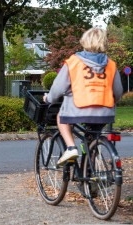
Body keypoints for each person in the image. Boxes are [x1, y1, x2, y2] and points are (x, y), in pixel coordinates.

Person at [43, 27, 123, 166]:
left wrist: (49, 99)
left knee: (61, 117)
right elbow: (117, 92)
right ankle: (91, 175)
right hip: (104, 112)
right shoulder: (111, 65)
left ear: (84, 41)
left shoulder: (73, 62)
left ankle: (71, 148)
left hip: (77, 109)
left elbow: (58, 89)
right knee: (93, 138)